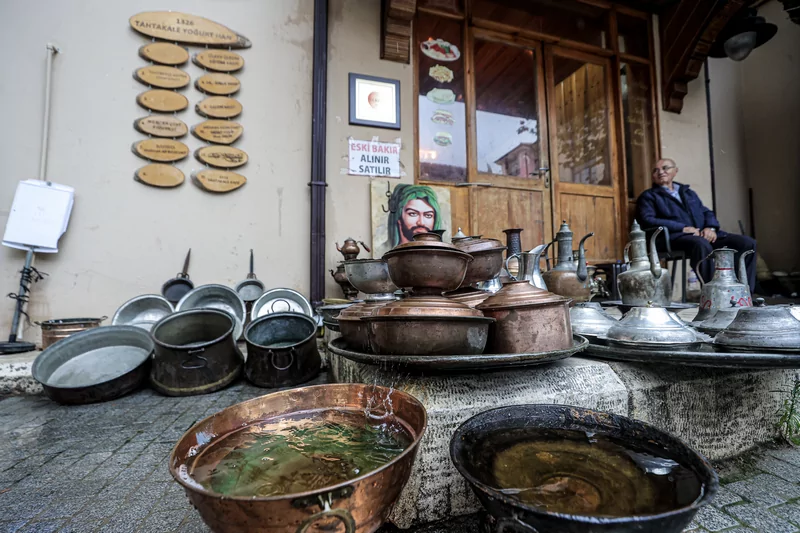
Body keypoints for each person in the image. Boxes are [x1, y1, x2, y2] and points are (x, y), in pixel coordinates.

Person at [636, 158, 757, 292]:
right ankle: (714, 292)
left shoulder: (688, 193)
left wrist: (710, 228)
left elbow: (706, 212)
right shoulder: (649, 196)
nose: (661, 172)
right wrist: (681, 228)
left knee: (746, 243)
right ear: (652, 175)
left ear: (675, 171)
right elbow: (648, 220)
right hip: (673, 237)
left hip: (701, 234)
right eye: (656, 170)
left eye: (665, 168)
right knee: (700, 244)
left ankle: (743, 291)